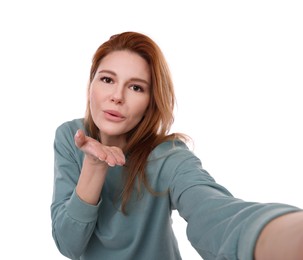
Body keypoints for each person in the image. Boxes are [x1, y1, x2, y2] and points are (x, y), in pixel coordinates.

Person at [51, 31, 303, 260]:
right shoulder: (71, 137)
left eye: (136, 87)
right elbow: (69, 244)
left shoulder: (168, 157)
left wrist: (290, 234)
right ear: (91, 83)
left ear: (151, 101)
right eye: (107, 80)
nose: (117, 96)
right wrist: (94, 165)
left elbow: (213, 214)